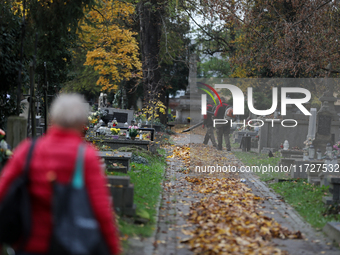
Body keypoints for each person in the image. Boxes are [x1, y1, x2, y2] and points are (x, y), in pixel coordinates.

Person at [0, 94, 121, 255]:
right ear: (81, 123)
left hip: (28, 245)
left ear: (53, 118)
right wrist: (113, 249)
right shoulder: (86, 157)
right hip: (70, 246)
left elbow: (3, 193)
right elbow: (102, 211)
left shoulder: (27, 151)